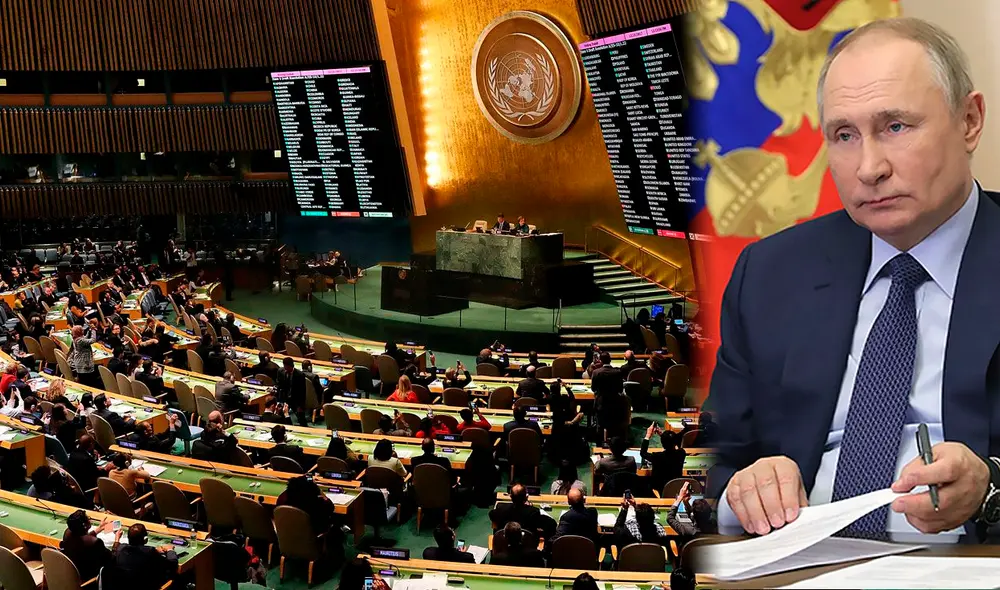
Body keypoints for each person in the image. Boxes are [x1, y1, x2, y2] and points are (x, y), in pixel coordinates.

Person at [709, 17, 1000, 541]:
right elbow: (718, 457)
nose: (869, 167)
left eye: (896, 127)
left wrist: (992, 487)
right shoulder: (769, 274)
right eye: (844, 135)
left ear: (970, 120)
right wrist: (740, 488)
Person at [114, 523, 179, 590]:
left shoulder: (120, 548)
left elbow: (115, 549)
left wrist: (117, 539)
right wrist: (170, 550)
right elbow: (172, 564)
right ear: (146, 539)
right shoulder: (150, 552)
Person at [61, 510, 121, 581]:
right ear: (85, 525)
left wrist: (99, 529)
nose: (89, 519)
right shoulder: (95, 542)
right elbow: (112, 559)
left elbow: (81, 539)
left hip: (74, 573)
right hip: (90, 577)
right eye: (88, 518)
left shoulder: (68, 533)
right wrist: (117, 540)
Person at [488, 483, 555, 539]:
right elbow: (552, 523)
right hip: (526, 545)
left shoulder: (501, 508)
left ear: (510, 497)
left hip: (505, 544)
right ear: (526, 497)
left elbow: (491, 514)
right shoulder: (533, 512)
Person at [641, 424, 687, 495]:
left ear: (662, 444)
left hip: (658, 489)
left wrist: (648, 435)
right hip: (676, 488)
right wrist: (663, 435)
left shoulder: (657, 456)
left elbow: (643, 453)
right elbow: (676, 443)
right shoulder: (682, 453)